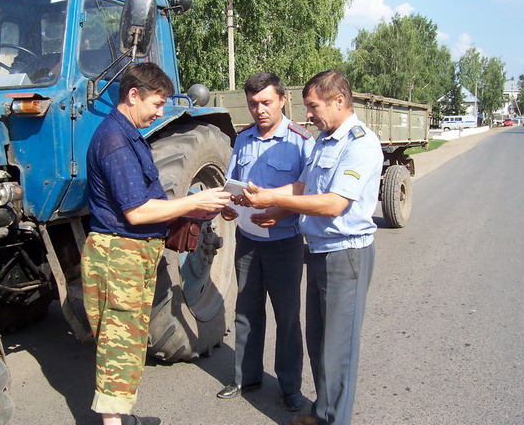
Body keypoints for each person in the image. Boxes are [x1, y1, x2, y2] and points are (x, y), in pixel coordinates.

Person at [81, 62, 231, 425]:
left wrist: (198, 214)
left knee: (128, 342)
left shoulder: (129, 135)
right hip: (120, 257)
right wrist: (196, 202)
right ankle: (114, 423)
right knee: (119, 344)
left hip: (129, 256)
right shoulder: (116, 141)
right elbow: (137, 211)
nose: (161, 113)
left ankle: (120, 418)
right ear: (133, 96)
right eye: (157, 104)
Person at [242, 70, 383, 425]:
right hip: (320, 250)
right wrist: (275, 208)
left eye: (313, 106)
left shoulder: (360, 143)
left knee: (338, 348)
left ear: (339, 101)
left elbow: (335, 203)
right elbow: (303, 188)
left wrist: (271, 196)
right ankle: (322, 413)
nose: (309, 115)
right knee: (319, 342)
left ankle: (335, 419)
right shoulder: (324, 139)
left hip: (346, 253)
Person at [216, 72, 315, 411]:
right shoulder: (243, 139)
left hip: (284, 242)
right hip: (247, 240)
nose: (259, 110)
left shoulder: (301, 140)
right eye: (253, 104)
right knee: (246, 310)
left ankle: (290, 386)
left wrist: (282, 214)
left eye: (266, 102)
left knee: (287, 317)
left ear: (283, 100)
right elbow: (234, 182)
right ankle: (247, 376)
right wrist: (229, 208)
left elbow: (310, 192)